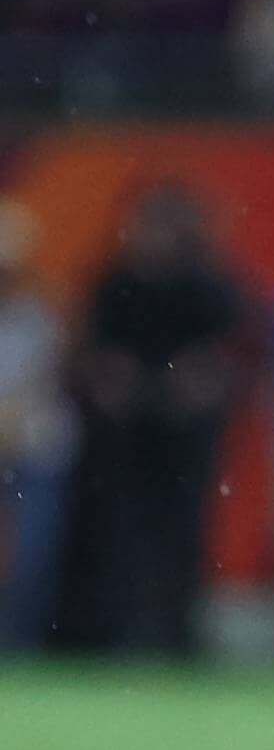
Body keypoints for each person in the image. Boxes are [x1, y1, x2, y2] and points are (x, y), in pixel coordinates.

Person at [63, 185, 250, 655]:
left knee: (184, 538)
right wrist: (107, 376)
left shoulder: (208, 284)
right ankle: (117, 637)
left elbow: (243, 353)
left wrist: (204, 376)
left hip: (187, 436)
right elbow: (82, 355)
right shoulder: (112, 283)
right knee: (117, 538)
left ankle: (177, 636)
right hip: (121, 439)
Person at [0, 200, 80, 650]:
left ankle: (20, 645)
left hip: (33, 453)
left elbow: (45, 382)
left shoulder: (44, 317)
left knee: (33, 555)